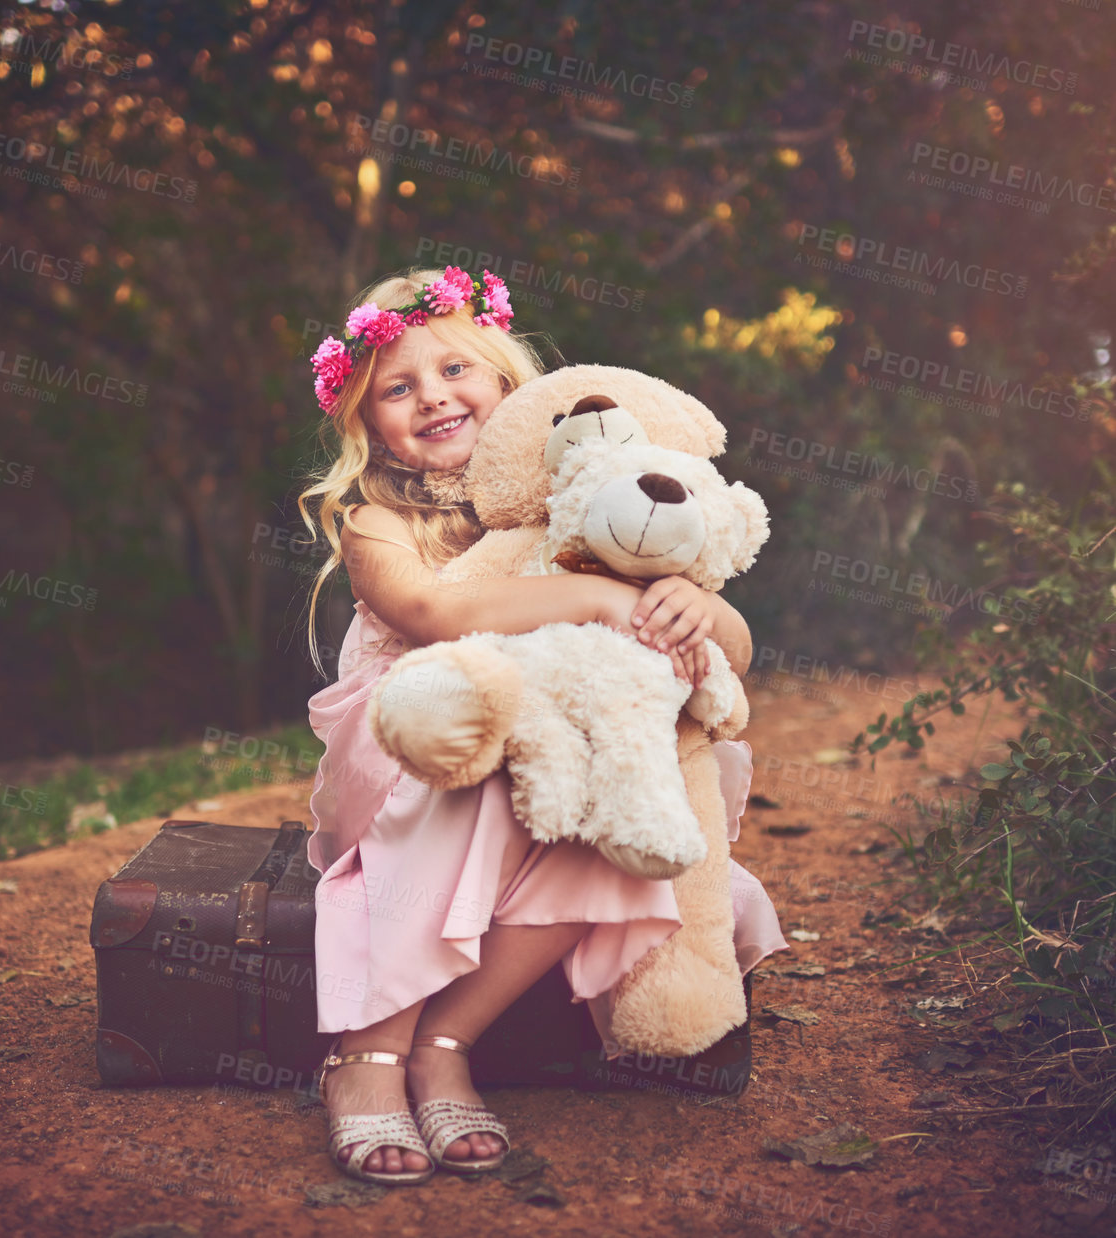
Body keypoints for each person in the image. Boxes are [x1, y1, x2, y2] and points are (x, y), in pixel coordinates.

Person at [294, 266, 786, 1185]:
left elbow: (740, 648)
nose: (432, 397)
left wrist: (691, 605)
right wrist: (604, 595)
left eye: (455, 373)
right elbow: (433, 617)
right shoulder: (376, 520)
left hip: (553, 743)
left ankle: (446, 1041)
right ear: (367, 423)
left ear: (511, 385)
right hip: (416, 739)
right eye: (397, 389)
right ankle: (364, 1054)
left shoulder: (583, 501)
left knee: (618, 807)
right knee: (473, 770)